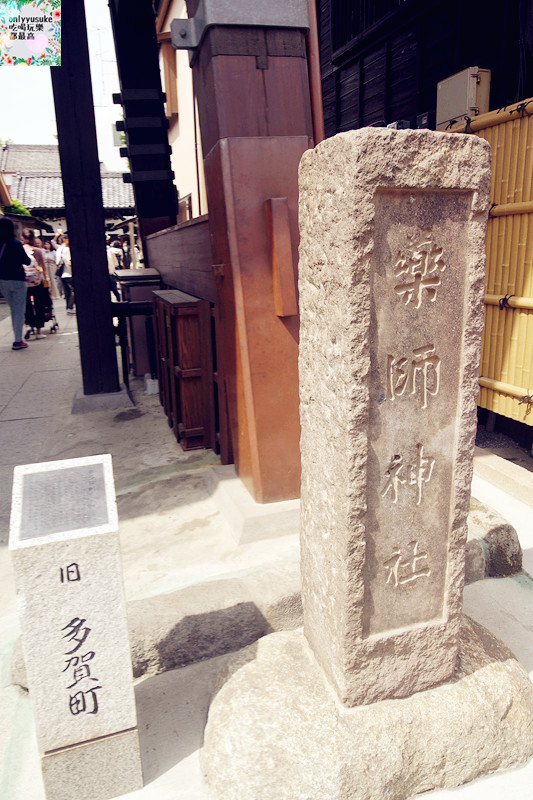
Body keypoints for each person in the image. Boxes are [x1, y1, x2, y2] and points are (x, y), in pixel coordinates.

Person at [0, 217, 31, 350]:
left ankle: (17, 337)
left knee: (13, 309)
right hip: (18, 279)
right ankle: (18, 340)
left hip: (3, 281)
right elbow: (26, 261)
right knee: (19, 310)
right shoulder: (16, 243)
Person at [21, 229, 48, 339]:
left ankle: (28, 325)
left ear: (22, 238)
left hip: (24, 281)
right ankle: (39, 331)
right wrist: (46, 280)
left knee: (26, 304)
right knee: (39, 304)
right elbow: (43, 266)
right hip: (37, 281)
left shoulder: (20, 249)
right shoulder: (37, 250)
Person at [57, 233, 75, 314]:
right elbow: (69, 262)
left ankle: (68, 307)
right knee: (73, 290)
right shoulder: (67, 250)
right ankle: (70, 307)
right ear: (64, 240)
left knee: (67, 291)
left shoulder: (58, 249)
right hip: (69, 273)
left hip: (61, 273)